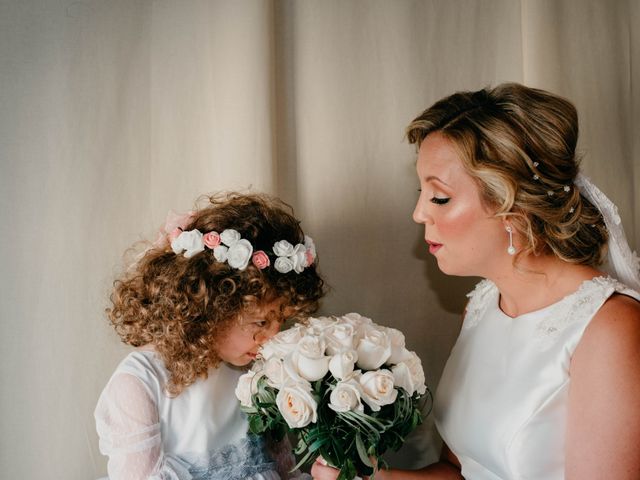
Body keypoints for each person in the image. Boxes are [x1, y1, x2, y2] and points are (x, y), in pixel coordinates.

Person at [311, 83, 640, 479]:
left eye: (440, 197)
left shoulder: (609, 329)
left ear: (512, 206)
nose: (418, 214)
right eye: (422, 193)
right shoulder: (483, 304)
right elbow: (460, 469)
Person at [95, 192, 325, 480]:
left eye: (282, 321)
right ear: (211, 307)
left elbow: (285, 474)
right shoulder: (140, 384)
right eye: (261, 321)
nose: (273, 338)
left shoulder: (259, 376)